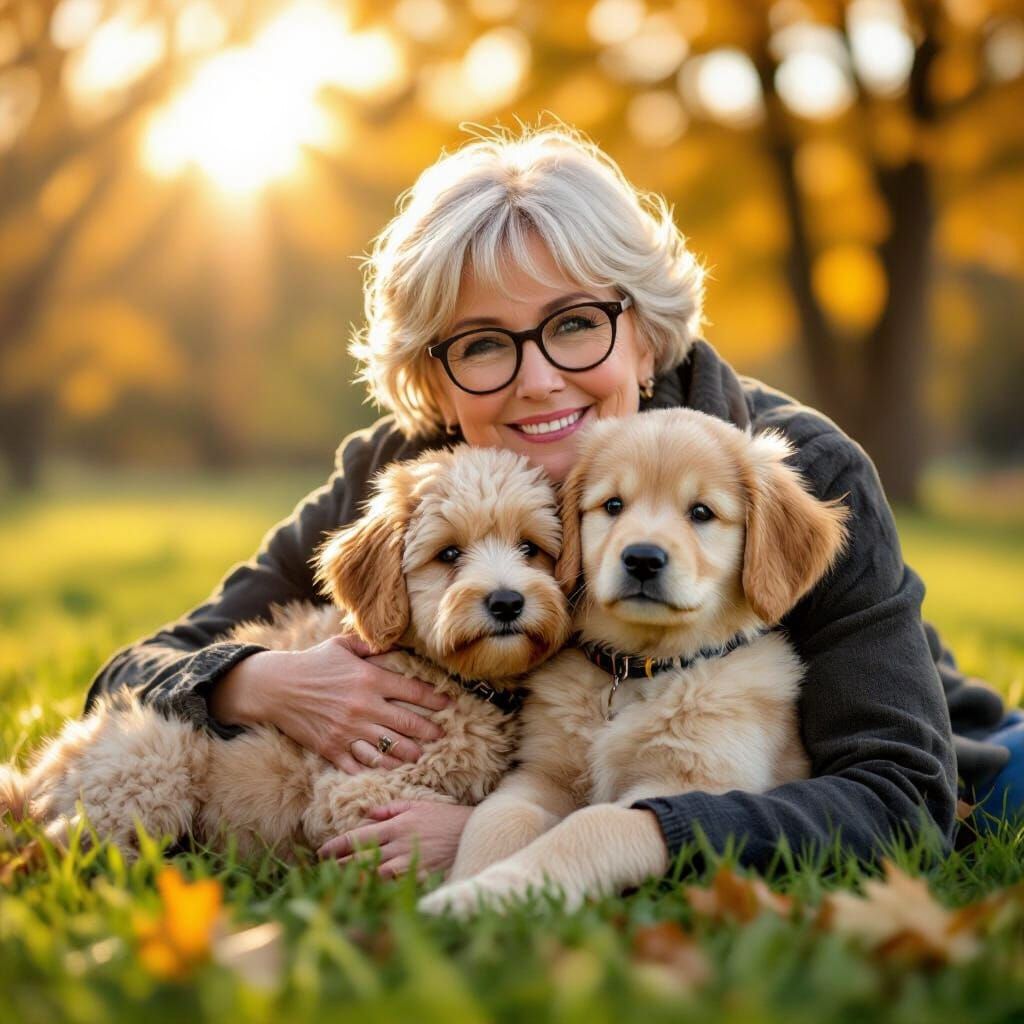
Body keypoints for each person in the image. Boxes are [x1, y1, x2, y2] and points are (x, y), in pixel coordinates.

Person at [86, 126, 1016, 880]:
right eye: (482, 344)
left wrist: (514, 844)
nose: (537, 380)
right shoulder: (410, 480)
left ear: (645, 338)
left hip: (978, 762)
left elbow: (901, 797)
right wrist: (258, 681)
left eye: (575, 324)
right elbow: (135, 670)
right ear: (434, 382)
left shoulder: (792, 471)